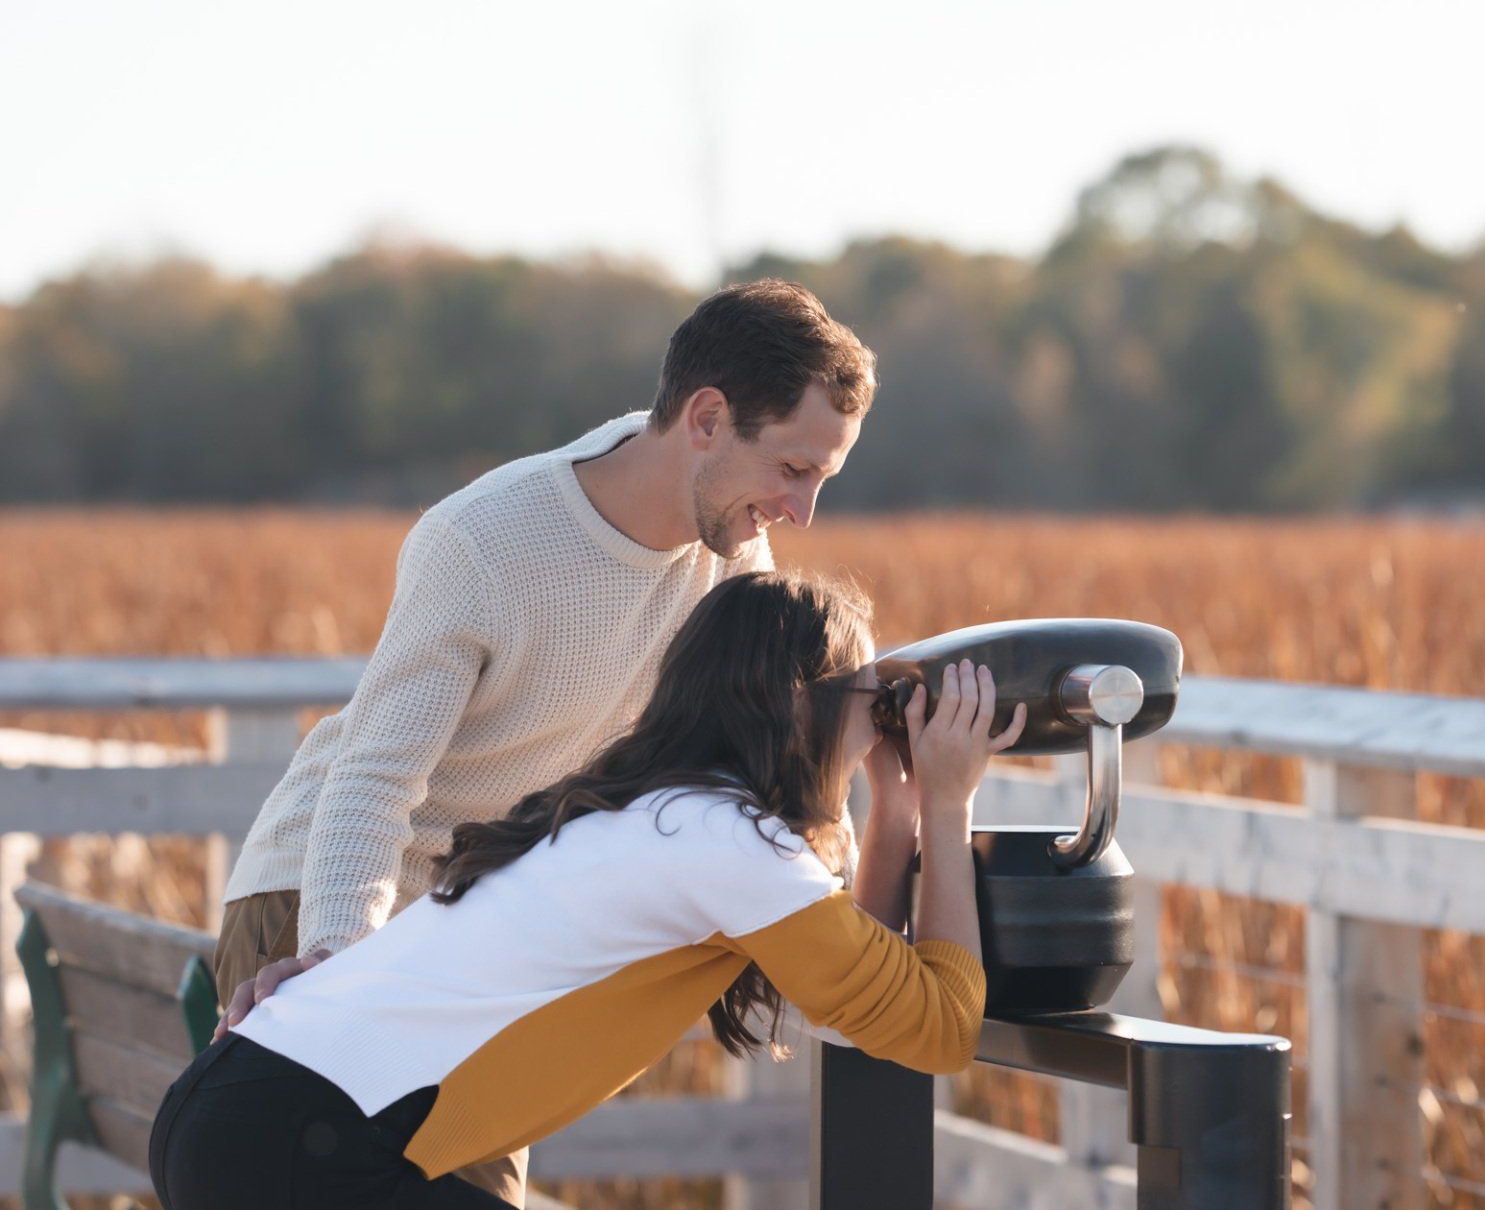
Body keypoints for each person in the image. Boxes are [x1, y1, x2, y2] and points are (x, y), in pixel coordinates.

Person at [210, 280, 876, 1204]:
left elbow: (748, 777)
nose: (802, 512)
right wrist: (335, 961)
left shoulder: (731, 566)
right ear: (709, 418)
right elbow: (369, 782)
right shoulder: (484, 541)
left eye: (821, 480)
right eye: (794, 471)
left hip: (476, 930)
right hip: (328, 897)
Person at [151, 570, 1024, 1209]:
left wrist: (900, 809)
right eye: (871, 706)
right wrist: (951, 804)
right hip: (307, 1147)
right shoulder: (728, 844)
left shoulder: (648, 809)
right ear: (802, 704)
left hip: (243, 1109)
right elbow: (941, 1029)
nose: (875, 735)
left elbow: (850, 1004)